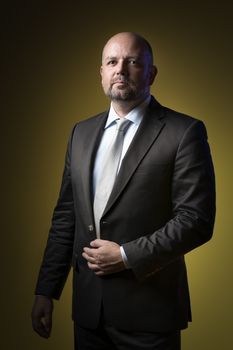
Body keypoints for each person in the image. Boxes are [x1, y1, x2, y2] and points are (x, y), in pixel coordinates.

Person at [31, 32, 216, 350]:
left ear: (151, 73)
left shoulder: (184, 131)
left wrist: (127, 256)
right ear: (101, 72)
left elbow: (196, 220)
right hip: (89, 314)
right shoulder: (80, 133)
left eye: (132, 62)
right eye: (112, 62)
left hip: (150, 314)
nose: (121, 69)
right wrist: (46, 290)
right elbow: (66, 216)